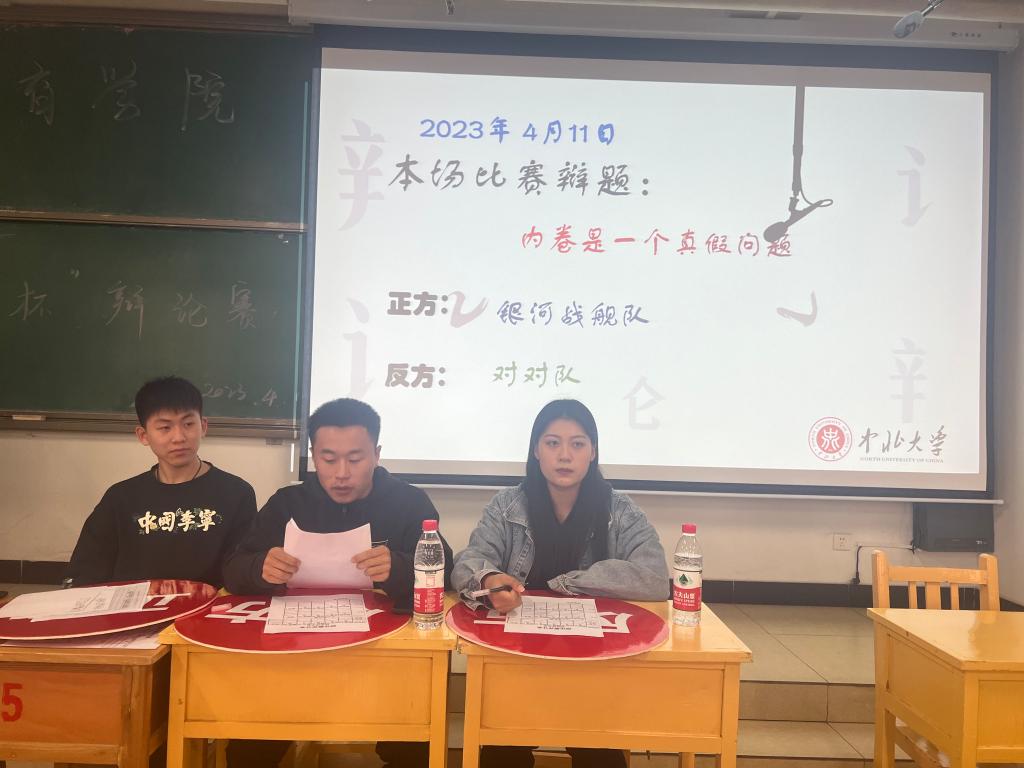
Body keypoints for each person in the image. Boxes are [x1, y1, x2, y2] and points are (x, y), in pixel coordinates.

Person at [223, 397, 454, 768]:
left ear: (376, 454)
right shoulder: (288, 503)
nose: (341, 473)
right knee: (251, 738)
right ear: (314, 456)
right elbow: (233, 569)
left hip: (385, 653)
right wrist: (259, 568)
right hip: (296, 649)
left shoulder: (408, 502)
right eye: (328, 459)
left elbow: (445, 571)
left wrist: (397, 567)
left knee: (416, 729)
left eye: (355, 459)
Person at [452, 398, 670, 768]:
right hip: (517, 657)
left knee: (599, 755)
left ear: (593, 452)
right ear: (536, 450)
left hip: (596, 662)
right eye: (553, 443)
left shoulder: (619, 510)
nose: (565, 455)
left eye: (577, 444)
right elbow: (467, 562)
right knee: (502, 753)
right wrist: (489, 578)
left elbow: (653, 578)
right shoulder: (507, 505)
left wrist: (568, 582)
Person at [67, 376, 257, 588]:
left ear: (203, 426)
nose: (179, 437)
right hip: (136, 606)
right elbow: (86, 571)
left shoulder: (236, 493)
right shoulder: (121, 498)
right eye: (165, 428)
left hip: (207, 606)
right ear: (143, 435)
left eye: (188, 424)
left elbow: (242, 568)